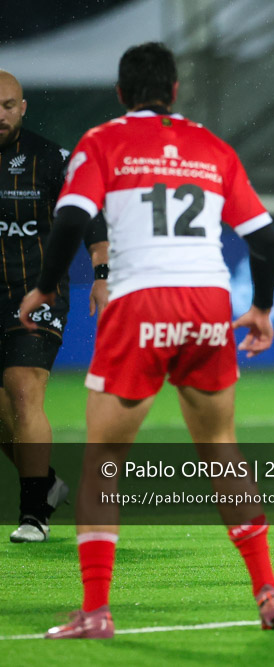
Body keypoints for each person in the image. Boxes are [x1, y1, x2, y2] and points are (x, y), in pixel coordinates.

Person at [18, 42, 274, 638]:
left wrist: (43, 288)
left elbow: (69, 221)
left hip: (141, 301)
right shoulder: (212, 147)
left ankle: (96, 611)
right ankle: (268, 590)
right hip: (207, 305)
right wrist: (262, 309)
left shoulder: (103, 141)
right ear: (174, 92)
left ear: (121, 93)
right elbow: (267, 243)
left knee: (103, 461)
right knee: (221, 447)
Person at [0, 69, 109, 543]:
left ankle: (33, 514)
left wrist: (101, 272)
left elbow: (89, 213)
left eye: (8, 105)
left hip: (35, 293)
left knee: (23, 389)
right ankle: (46, 484)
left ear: (23, 108)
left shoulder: (49, 159)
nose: (0, 115)